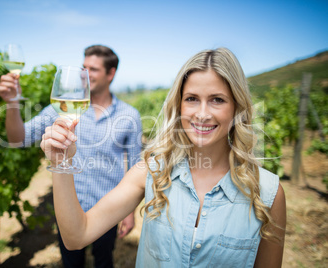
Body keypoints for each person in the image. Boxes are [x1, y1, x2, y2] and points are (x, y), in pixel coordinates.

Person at [40, 47, 287, 267]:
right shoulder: (150, 170)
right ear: (178, 106)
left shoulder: (267, 193)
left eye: (217, 100)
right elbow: (76, 237)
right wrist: (61, 162)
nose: (202, 114)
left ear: (236, 107)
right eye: (191, 99)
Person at [0, 45, 142, 267]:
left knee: (104, 261)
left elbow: (135, 165)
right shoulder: (62, 108)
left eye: (92, 69)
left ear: (110, 74)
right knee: (71, 263)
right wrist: (12, 103)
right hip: (68, 209)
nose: (85, 74)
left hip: (108, 209)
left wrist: (129, 212)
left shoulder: (129, 115)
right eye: (83, 68)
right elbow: (19, 138)